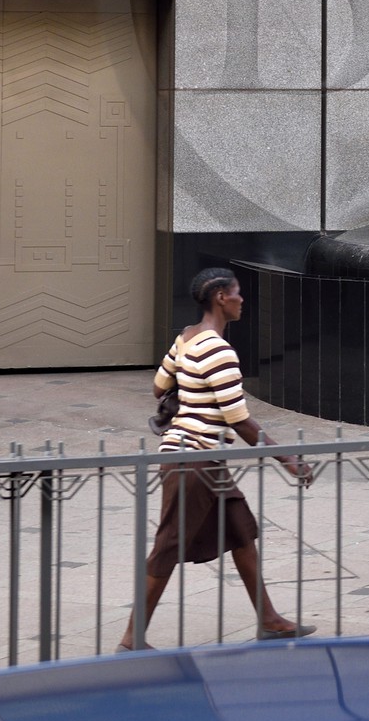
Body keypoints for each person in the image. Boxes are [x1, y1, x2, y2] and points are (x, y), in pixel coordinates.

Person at [119, 266, 314, 648]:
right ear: (221, 298)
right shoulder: (219, 350)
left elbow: (159, 387)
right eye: (238, 293)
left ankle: (270, 619)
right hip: (193, 462)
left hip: (199, 459)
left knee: (240, 531)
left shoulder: (186, 338)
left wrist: (188, 389)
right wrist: (287, 459)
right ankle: (131, 638)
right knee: (168, 546)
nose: (243, 300)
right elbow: (239, 420)